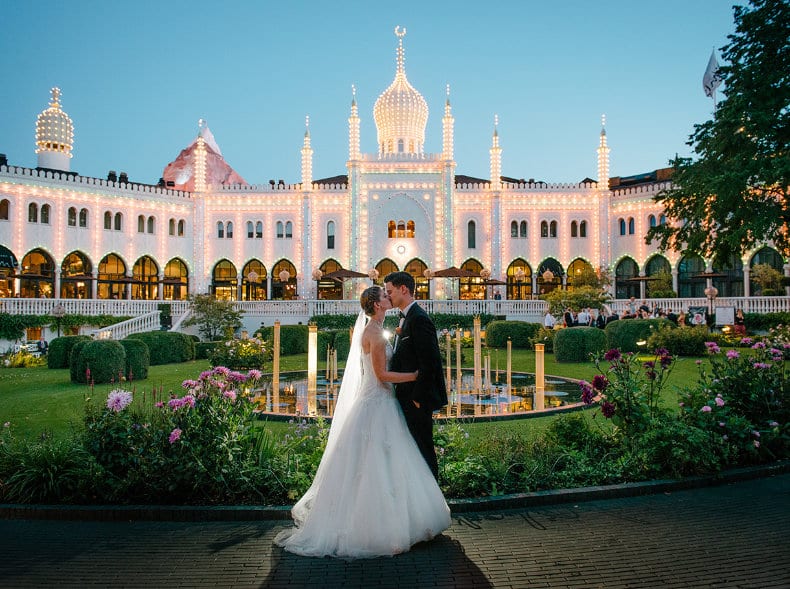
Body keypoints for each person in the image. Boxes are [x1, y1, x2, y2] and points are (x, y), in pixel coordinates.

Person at [274, 286, 450, 558]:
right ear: (377, 305)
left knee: (383, 461)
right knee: (378, 463)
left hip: (379, 403)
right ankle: (379, 527)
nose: (388, 297)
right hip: (378, 402)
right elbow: (381, 375)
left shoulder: (375, 329)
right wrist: (415, 376)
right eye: (384, 295)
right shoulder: (375, 334)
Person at [385, 271, 448, 479]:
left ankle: (433, 498)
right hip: (405, 396)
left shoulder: (419, 319)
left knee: (423, 448)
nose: (388, 297)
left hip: (416, 398)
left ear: (404, 289)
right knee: (413, 450)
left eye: (390, 291)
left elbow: (429, 362)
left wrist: (418, 398)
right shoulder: (405, 317)